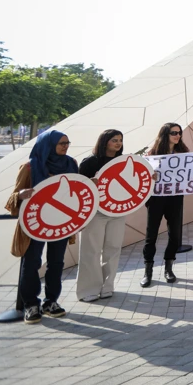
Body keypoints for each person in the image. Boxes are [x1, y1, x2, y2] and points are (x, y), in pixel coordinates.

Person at [16, 130, 78, 324]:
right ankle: (30, 304)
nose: (65, 146)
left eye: (67, 143)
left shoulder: (71, 164)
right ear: (49, 144)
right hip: (35, 224)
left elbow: (77, 192)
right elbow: (12, 198)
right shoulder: (29, 167)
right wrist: (21, 194)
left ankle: (51, 301)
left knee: (57, 262)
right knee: (32, 262)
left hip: (61, 222)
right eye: (61, 143)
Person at [76, 129, 128, 302]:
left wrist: (150, 178)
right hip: (95, 212)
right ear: (105, 141)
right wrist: (88, 183)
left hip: (117, 211)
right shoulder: (90, 162)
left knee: (113, 250)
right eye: (114, 140)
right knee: (91, 251)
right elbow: (77, 188)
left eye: (120, 140)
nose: (118, 143)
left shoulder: (123, 161)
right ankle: (88, 290)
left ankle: (108, 286)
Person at [141, 123, 187, 289]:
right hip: (156, 198)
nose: (177, 135)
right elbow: (143, 175)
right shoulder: (152, 154)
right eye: (174, 132)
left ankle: (169, 267)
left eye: (179, 133)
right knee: (151, 235)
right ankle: (148, 270)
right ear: (165, 134)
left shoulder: (183, 153)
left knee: (175, 235)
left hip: (175, 197)